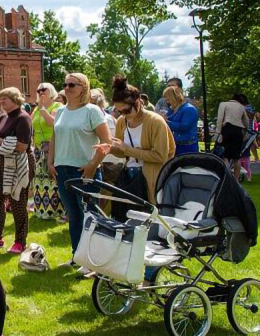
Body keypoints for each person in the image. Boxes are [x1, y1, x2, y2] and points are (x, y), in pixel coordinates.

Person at [49, 72, 113, 258]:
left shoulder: (91, 111)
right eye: (65, 84)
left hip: (84, 170)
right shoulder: (60, 111)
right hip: (62, 169)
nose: (67, 88)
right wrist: (50, 161)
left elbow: (106, 142)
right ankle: (77, 256)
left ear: (83, 88)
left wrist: (93, 165)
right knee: (74, 216)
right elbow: (55, 137)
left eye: (72, 85)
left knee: (90, 217)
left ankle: (94, 259)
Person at [104, 76, 176, 204]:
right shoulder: (122, 121)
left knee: (150, 219)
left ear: (138, 101)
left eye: (126, 110)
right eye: (119, 111)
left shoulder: (155, 122)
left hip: (151, 179)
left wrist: (129, 150)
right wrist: (110, 149)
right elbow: (123, 152)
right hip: (129, 177)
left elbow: (160, 156)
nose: (124, 114)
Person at [0, 87, 35, 254]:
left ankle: (20, 241)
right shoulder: (4, 117)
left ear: (15, 99)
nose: (1, 102)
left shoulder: (23, 118)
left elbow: (22, 147)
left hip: (18, 164)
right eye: (0, 99)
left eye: (4, 99)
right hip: (1, 162)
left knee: (18, 201)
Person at [31, 82, 64, 221]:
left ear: (51, 92)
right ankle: (41, 210)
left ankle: (56, 211)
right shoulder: (36, 109)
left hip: (52, 146)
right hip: (38, 148)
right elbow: (30, 124)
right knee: (39, 180)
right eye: (39, 90)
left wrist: (43, 109)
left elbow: (52, 122)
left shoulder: (58, 106)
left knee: (52, 180)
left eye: (44, 90)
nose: (41, 92)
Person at [217, 93, 251, 179]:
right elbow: (246, 121)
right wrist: (246, 131)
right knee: (236, 158)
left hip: (227, 129)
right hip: (238, 131)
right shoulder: (241, 107)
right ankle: (236, 180)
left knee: (225, 156)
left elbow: (220, 119)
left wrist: (218, 132)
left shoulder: (223, 104)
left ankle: (227, 178)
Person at [159, 86, 198, 156]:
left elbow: (184, 127)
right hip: (176, 144)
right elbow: (168, 120)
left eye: (167, 98)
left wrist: (166, 121)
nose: (166, 101)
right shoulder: (172, 109)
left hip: (188, 147)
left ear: (173, 97)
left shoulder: (189, 109)